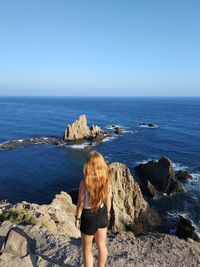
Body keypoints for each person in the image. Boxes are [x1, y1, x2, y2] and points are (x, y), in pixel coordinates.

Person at [75, 150, 112, 267]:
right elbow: (108, 200)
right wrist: (108, 212)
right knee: (102, 245)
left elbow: (80, 203)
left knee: (87, 249)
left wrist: (77, 217)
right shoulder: (106, 181)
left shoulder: (84, 183)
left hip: (87, 217)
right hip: (102, 214)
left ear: (88, 166)